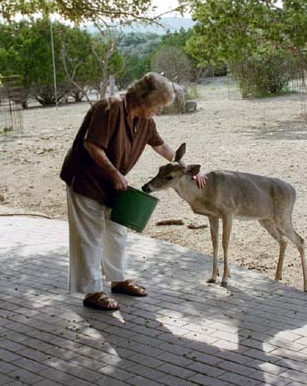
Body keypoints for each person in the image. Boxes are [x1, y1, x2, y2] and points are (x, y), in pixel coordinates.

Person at [60, 72, 206, 310]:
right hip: (86, 180)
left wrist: (187, 169)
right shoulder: (109, 108)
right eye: (158, 106)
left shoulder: (145, 120)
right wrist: (115, 173)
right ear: (144, 99)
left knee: (117, 232)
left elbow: (160, 145)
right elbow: (92, 145)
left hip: (113, 183)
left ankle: (118, 280)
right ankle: (93, 291)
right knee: (91, 236)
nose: (158, 111)